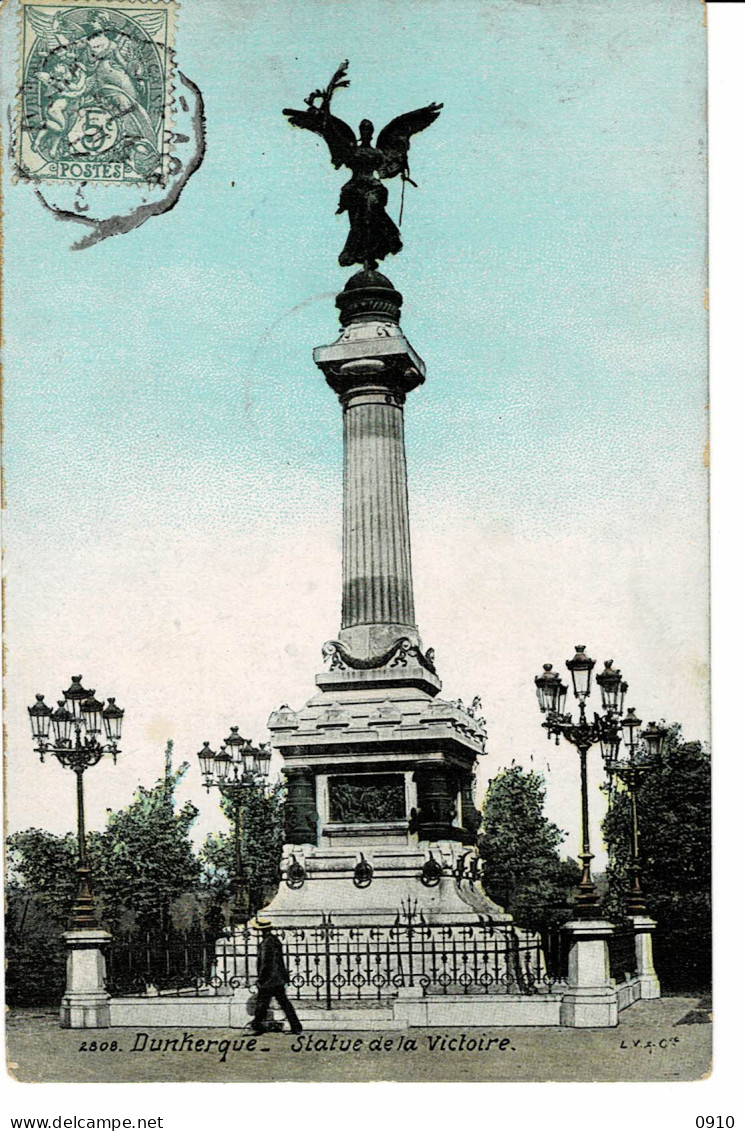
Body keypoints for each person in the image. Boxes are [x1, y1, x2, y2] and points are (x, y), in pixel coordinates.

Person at [248, 916, 303, 1035]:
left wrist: (261, 979)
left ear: (262, 930)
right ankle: (296, 1026)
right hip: (277, 978)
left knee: (263, 1003)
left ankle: (257, 1026)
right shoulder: (273, 940)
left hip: (269, 979)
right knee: (281, 1003)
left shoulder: (267, 943)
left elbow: (266, 963)